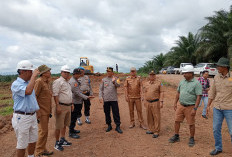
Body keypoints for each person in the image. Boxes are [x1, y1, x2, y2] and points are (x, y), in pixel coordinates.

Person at [11, 60, 40, 157]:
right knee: (22, 144)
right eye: (30, 71)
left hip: (32, 116)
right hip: (22, 117)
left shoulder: (29, 83)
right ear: (22, 71)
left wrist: (37, 111)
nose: (32, 73)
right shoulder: (16, 84)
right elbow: (28, 91)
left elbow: (32, 97)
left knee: (33, 140)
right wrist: (33, 77)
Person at [168, 65, 202, 147]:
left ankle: (191, 138)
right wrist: (175, 103)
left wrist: (195, 108)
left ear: (190, 73)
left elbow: (199, 96)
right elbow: (178, 93)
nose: (184, 75)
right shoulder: (182, 81)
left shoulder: (197, 83)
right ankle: (176, 136)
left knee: (191, 123)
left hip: (190, 107)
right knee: (177, 121)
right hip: (181, 105)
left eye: (185, 73)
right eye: (183, 73)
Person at [207, 57, 232, 156]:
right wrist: (208, 105)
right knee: (216, 129)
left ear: (225, 67)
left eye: (219, 65)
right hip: (217, 107)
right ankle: (218, 148)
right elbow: (212, 91)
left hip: (230, 108)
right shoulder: (216, 77)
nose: (217, 67)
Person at [52, 65, 73, 151]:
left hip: (68, 106)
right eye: (65, 72)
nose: (66, 74)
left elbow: (68, 93)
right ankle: (57, 143)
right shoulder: (58, 82)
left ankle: (62, 139)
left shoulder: (67, 82)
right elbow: (55, 94)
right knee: (58, 125)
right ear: (61, 72)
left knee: (64, 124)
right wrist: (57, 106)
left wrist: (71, 104)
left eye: (68, 73)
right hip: (61, 106)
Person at [69, 68, 94, 138]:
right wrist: (86, 97)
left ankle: (72, 129)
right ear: (76, 74)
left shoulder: (76, 79)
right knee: (73, 116)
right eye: (79, 74)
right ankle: (71, 132)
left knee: (76, 114)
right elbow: (77, 93)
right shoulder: (73, 82)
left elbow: (89, 85)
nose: (80, 75)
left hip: (79, 99)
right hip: (76, 101)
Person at [34, 65, 53, 156]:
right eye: (48, 71)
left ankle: (43, 149)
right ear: (44, 73)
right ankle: (38, 152)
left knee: (45, 131)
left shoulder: (47, 82)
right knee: (43, 132)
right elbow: (34, 97)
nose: (50, 72)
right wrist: (38, 111)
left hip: (47, 110)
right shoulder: (39, 82)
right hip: (42, 111)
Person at [99, 67, 123, 134]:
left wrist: (114, 82)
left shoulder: (116, 78)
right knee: (107, 113)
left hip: (113, 99)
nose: (108, 73)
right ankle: (109, 125)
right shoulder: (103, 80)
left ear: (112, 72)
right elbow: (101, 89)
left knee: (116, 113)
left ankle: (118, 126)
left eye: (109, 71)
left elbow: (118, 85)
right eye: (107, 71)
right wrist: (100, 97)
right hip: (106, 99)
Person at [142, 70, 164, 138]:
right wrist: (144, 100)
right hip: (148, 102)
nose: (152, 76)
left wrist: (161, 101)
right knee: (149, 116)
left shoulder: (159, 83)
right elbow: (144, 92)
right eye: (150, 75)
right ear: (149, 76)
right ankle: (151, 129)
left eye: (153, 75)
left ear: (155, 76)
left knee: (156, 117)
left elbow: (162, 92)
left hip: (155, 102)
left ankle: (156, 131)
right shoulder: (146, 83)